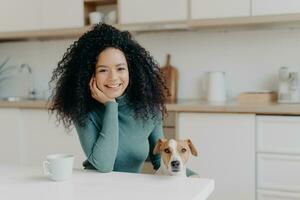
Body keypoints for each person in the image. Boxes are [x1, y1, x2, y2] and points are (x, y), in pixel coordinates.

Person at [49, 23, 196, 176]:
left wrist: (193, 177)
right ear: (89, 74)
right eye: (103, 70)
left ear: (131, 70)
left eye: (120, 68)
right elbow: (104, 165)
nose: (113, 78)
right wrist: (111, 106)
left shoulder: (149, 110)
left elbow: (161, 161)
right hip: (94, 188)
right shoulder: (83, 111)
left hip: (130, 190)